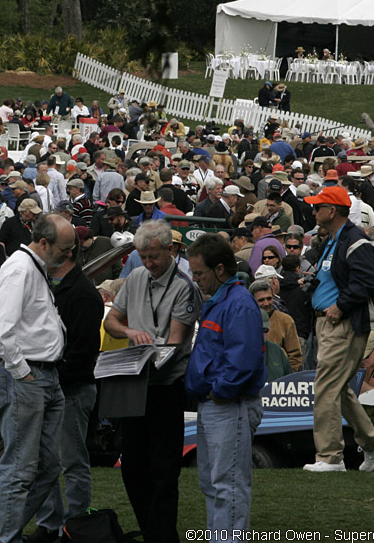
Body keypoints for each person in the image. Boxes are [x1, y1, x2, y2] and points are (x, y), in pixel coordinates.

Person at [101, 220, 203, 542]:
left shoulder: (185, 286)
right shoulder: (135, 277)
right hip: (135, 382)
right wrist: (131, 332)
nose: (148, 263)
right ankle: (151, 530)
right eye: (143, 257)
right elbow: (112, 321)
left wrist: (150, 349)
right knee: (132, 467)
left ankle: (161, 535)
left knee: (163, 469)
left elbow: (174, 343)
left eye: (154, 256)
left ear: (170, 250)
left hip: (165, 386)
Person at [0, 213, 74, 543]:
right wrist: (22, 373)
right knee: (20, 468)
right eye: (65, 249)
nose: (68, 256)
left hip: (44, 374)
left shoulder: (32, 267)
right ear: (43, 243)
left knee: (49, 466)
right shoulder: (20, 268)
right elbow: (0, 328)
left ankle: (10, 533)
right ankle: (7, 539)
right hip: (27, 374)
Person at [301, 186, 374, 472]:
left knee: (327, 387)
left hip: (342, 323)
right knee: (338, 388)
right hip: (330, 323)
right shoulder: (335, 239)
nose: (314, 212)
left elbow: (366, 281)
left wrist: (340, 306)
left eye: (318, 207)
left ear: (333, 211)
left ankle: (330, 458)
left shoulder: (356, 240)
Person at [185, 233, 265, 535]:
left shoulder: (239, 303)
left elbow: (242, 361)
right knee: (213, 482)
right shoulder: (222, 300)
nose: (196, 279)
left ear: (220, 269)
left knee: (227, 484)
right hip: (216, 404)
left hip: (229, 405)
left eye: (199, 273)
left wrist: (219, 392)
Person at [25, 235, 103, 542]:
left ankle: (74, 525)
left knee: (71, 461)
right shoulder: (61, 287)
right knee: (48, 461)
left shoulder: (81, 294)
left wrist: (51, 377)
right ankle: (53, 524)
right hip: (60, 385)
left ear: (65, 253)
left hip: (71, 388)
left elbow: (83, 352)